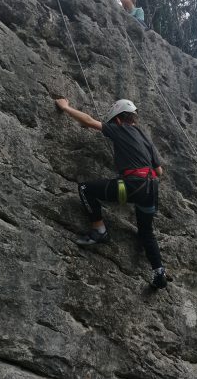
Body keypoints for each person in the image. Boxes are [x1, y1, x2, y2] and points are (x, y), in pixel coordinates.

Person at [55, 97, 171, 289]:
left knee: (85, 189)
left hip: (133, 186)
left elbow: (89, 121)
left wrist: (66, 107)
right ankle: (159, 272)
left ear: (117, 119)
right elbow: (159, 172)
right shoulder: (144, 137)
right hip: (151, 190)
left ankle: (99, 231)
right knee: (146, 232)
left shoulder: (120, 129)